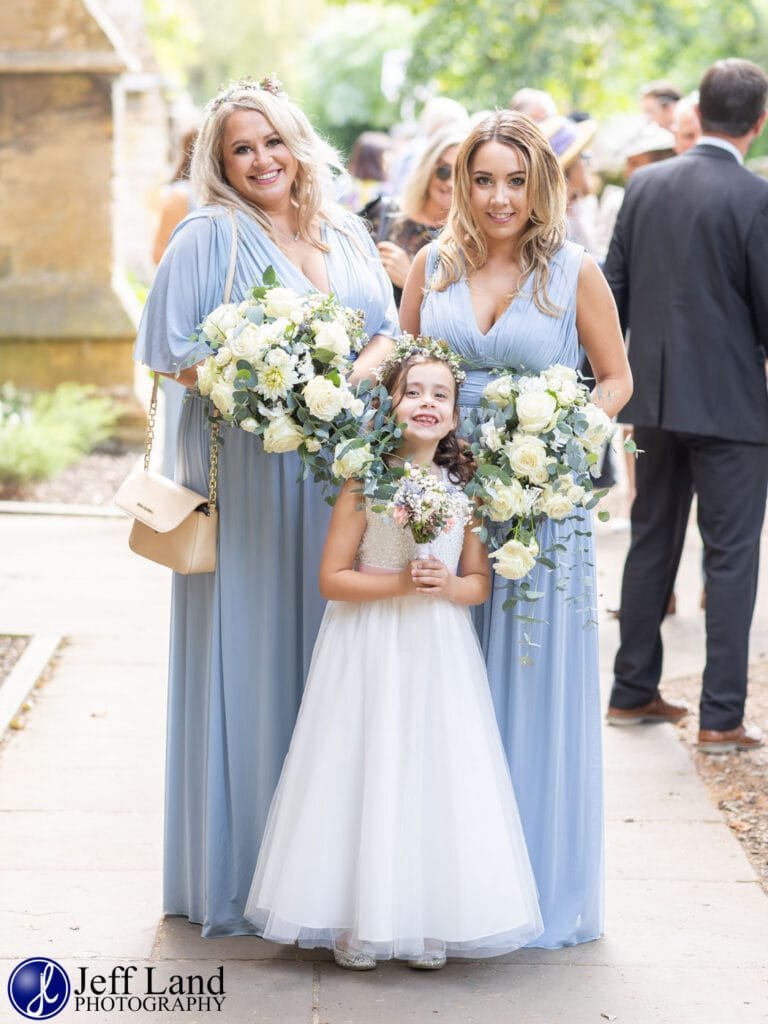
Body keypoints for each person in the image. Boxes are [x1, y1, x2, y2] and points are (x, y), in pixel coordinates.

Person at [133, 76, 399, 937]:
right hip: (253, 479)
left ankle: (332, 875)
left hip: (349, 476)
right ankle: (247, 872)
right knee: (259, 652)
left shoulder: (349, 229)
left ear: (298, 142)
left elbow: (389, 328)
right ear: (219, 161)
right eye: (240, 149)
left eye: (272, 142)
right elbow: (170, 352)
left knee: (342, 656)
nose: (260, 161)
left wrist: (351, 375)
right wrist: (261, 386)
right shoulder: (208, 235)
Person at [400, 111, 632, 947]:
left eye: (515, 179)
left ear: (543, 184)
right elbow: (407, 373)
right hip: (450, 507)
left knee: (530, 692)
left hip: (541, 513)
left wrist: (559, 432)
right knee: (443, 686)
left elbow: (615, 380)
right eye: (483, 178)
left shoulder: (575, 272)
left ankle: (534, 891)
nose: (500, 197)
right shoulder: (433, 264)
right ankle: (445, 889)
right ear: (461, 183)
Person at [244, 343, 543, 969]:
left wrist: (447, 588)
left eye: (440, 395)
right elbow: (332, 578)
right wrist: (400, 583)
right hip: (367, 640)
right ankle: (359, 919)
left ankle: (424, 917)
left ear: (456, 415)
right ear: (391, 404)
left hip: (437, 648)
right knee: (363, 761)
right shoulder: (366, 479)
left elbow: (478, 584)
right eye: (414, 392)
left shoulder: (467, 489)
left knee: (431, 766)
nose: (426, 403)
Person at [604, 58, 768, 754]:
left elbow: (611, 290)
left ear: (697, 110)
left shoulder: (643, 185)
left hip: (649, 403)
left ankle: (631, 690)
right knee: (729, 560)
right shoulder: (756, 198)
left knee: (650, 538)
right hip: (732, 408)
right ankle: (720, 717)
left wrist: (616, 383)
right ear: (758, 124)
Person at [363, 127, 465, 306]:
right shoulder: (383, 212)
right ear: (428, 167)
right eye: (444, 171)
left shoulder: (467, 239)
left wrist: (410, 279)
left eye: (461, 175)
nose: (450, 183)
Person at [338, 130, 391, 210]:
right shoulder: (384, 190)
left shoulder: (344, 182)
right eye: (386, 153)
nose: (390, 158)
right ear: (375, 158)